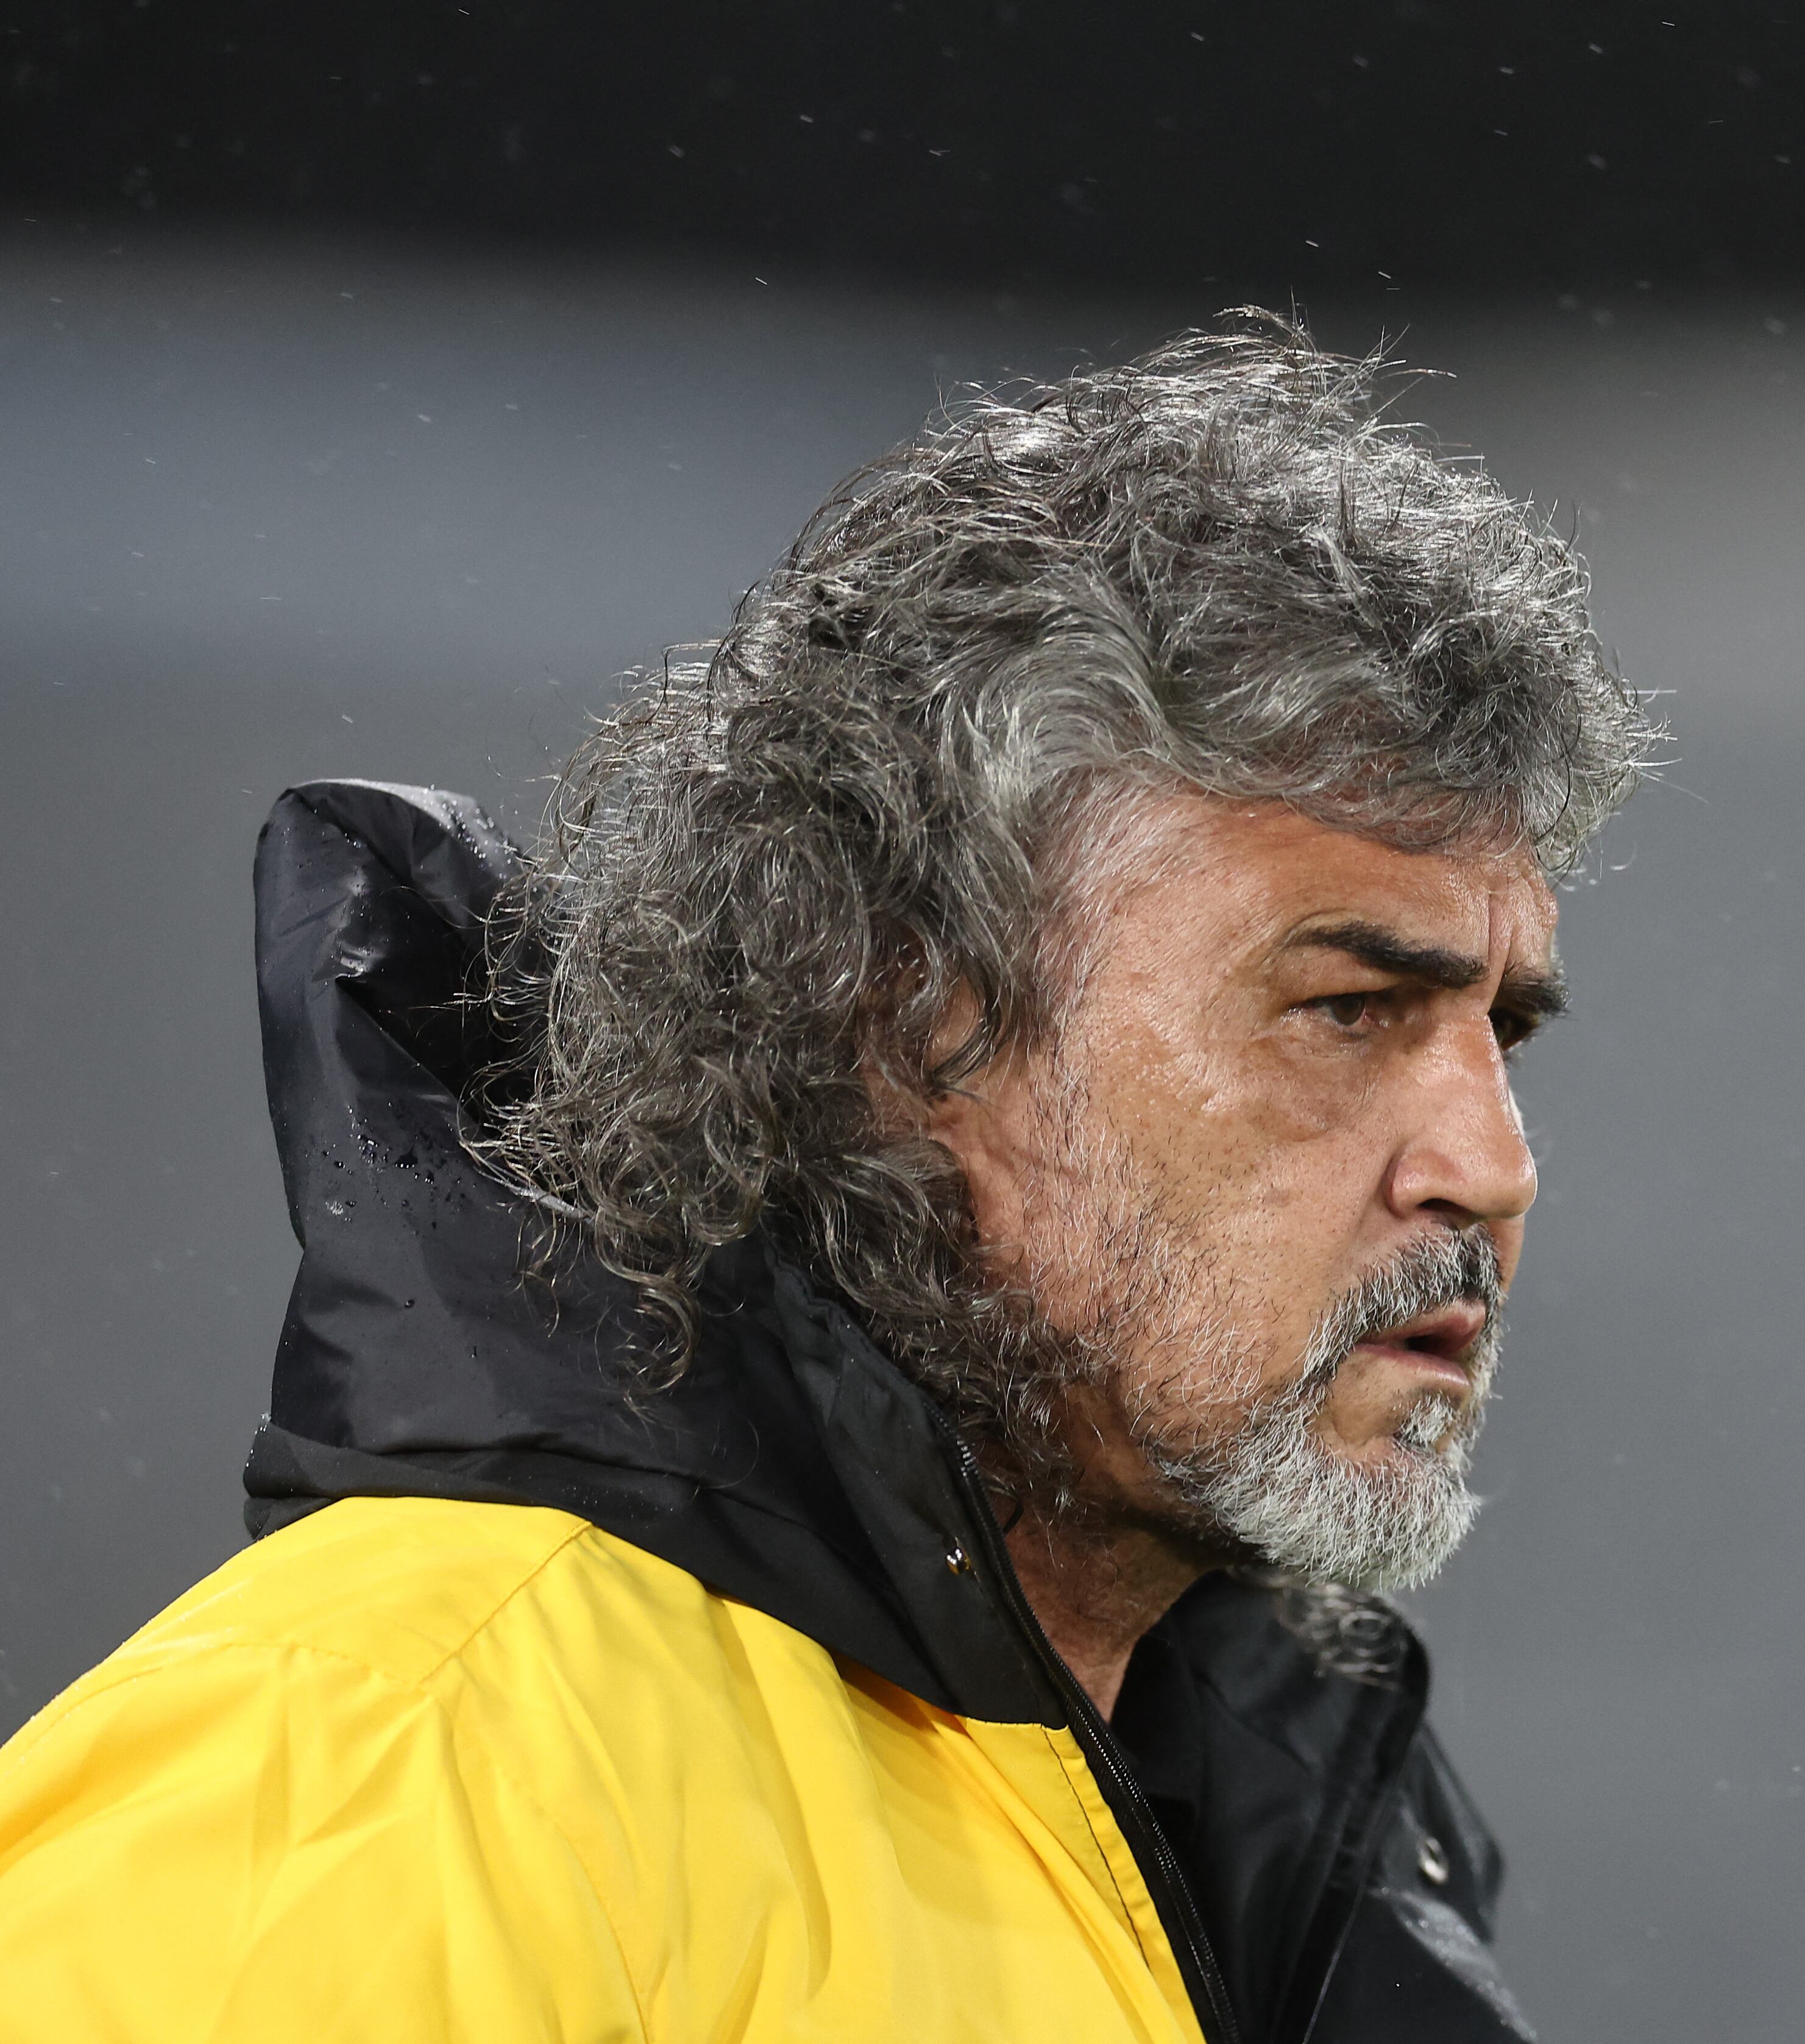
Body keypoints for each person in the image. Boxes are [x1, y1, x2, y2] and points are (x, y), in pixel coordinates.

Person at [0, 317, 1656, 2042]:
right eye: (1347, 1009)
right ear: (912, 1025)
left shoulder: (1280, 1842)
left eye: (1500, 1030)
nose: (1491, 1162)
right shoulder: (396, 1771)